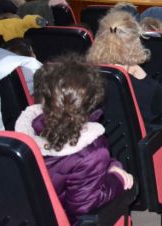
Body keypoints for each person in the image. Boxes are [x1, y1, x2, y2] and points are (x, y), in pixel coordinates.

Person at [14, 54, 134, 222]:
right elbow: (83, 205)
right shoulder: (92, 151)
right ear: (93, 102)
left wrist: (110, 166)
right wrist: (117, 179)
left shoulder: (29, 129)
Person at [87, 10, 162, 146]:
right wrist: (143, 76)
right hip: (145, 148)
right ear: (135, 43)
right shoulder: (147, 87)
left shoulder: (86, 77)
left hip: (104, 145)